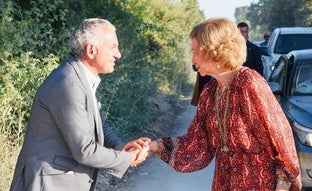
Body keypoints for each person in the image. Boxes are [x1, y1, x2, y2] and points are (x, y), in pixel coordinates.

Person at [148, 18, 301, 191]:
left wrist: (283, 183)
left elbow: (281, 138)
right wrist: (155, 146)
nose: (192, 60)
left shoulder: (249, 82)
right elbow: (197, 143)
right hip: (224, 181)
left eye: (195, 52)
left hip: (258, 182)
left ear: (214, 51)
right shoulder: (209, 92)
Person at [10, 18, 150, 191]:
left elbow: (100, 126)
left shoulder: (79, 78)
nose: (118, 54)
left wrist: (122, 147)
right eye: (113, 47)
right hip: (48, 185)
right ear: (91, 50)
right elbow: (84, 149)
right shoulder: (68, 83)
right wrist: (126, 158)